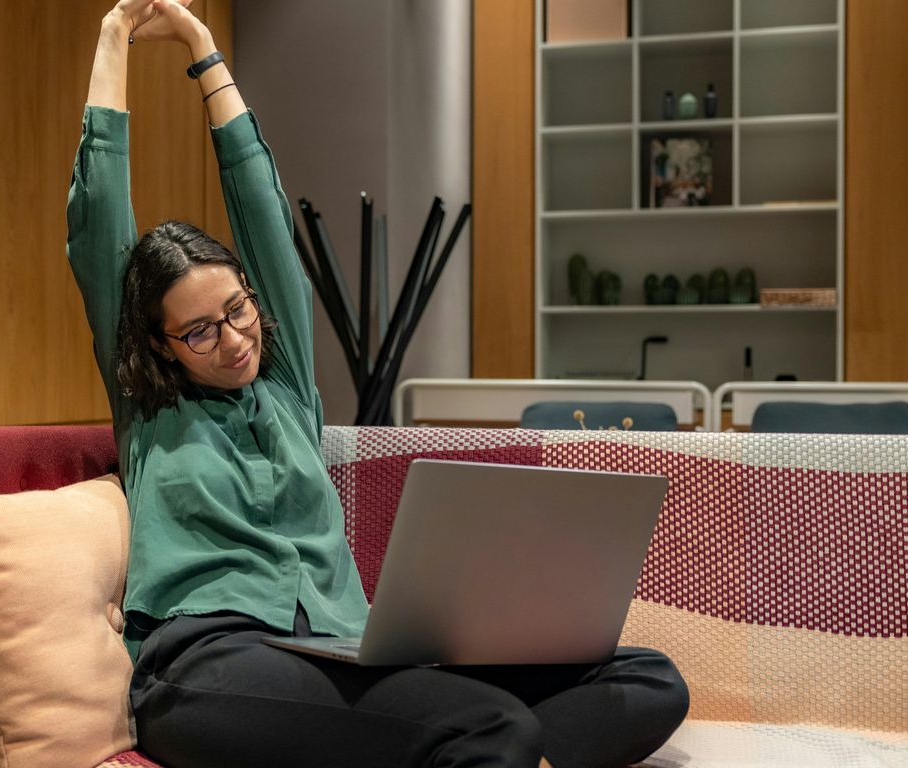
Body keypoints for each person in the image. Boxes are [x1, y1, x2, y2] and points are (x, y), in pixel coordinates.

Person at [66, 2, 689, 765]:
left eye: (238, 309)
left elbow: (262, 208)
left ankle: (491, 751)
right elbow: (98, 218)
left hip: (338, 650)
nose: (232, 339)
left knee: (646, 679)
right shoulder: (151, 409)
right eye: (199, 331)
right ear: (159, 348)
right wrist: (115, 35)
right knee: (489, 724)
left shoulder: (285, 386)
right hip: (205, 663)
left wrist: (203, 47)